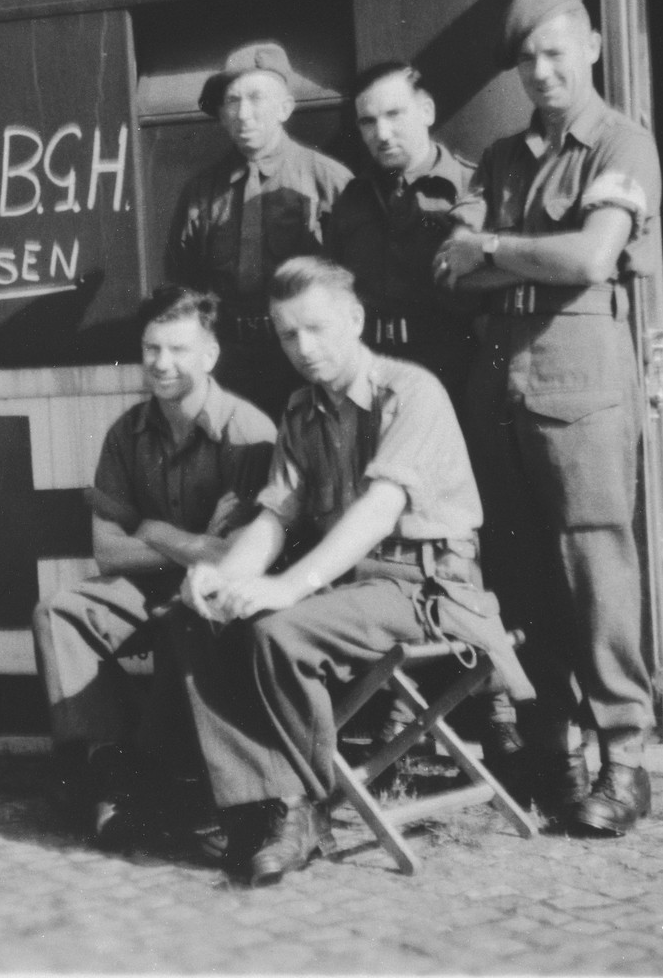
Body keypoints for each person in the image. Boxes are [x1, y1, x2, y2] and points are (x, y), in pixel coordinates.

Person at [171, 258, 529, 886]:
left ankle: (305, 807)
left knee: (278, 632)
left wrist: (287, 586)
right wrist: (224, 576)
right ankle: (270, 804)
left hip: (425, 587)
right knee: (198, 619)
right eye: (288, 335)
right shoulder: (301, 411)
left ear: (356, 320)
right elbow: (274, 517)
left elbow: (380, 507)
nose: (304, 349)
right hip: (355, 588)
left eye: (317, 329)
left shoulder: (411, 392)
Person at [434, 0, 661, 837]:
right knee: (521, 575)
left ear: (591, 48)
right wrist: (503, 252)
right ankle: (552, 755)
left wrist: (493, 245)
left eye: (556, 54)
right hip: (500, 382)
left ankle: (625, 764)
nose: (542, 74)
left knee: (596, 572)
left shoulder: (620, 144)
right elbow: (448, 268)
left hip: (580, 380)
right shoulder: (499, 155)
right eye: (527, 61)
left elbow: (588, 261)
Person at [31, 285, 275, 845]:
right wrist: (186, 542)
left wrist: (158, 531)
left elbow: (232, 556)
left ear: (210, 355)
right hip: (142, 585)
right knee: (59, 613)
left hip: (210, 594)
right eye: (151, 349)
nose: (161, 364)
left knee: (189, 624)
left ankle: (168, 783)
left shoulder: (248, 434)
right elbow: (108, 550)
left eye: (178, 350)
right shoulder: (128, 433)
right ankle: (111, 772)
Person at [165, 42, 353, 418]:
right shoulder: (201, 192)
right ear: (221, 114)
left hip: (305, 360)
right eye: (232, 102)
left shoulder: (327, 181)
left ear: (285, 107)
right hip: (230, 365)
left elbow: (355, 280)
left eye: (256, 98)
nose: (243, 114)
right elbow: (182, 283)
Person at [327, 62, 484, 400]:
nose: (381, 134)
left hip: (453, 373)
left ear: (426, 111)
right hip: (373, 372)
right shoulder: (352, 199)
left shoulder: (471, 188)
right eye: (368, 121)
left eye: (394, 114)